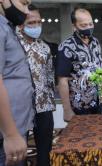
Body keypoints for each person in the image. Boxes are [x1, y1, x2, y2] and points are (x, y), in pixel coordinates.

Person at [16, 5, 55, 166]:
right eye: (32, 22)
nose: (36, 26)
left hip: (43, 105)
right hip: (19, 107)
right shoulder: (12, 44)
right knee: (18, 152)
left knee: (45, 150)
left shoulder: (44, 47)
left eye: (39, 22)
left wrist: (51, 103)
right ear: (20, 24)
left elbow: (49, 76)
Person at [0, 0, 34, 165]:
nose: (27, 11)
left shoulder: (7, 27)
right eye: (24, 3)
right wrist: (11, 134)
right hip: (6, 133)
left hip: (15, 127)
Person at [56, 7, 102, 122]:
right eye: (83, 25)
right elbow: (62, 81)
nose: (88, 28)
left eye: (90, 24)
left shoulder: (95, 42)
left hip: (97, 104)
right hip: (78, 107)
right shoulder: (66, 47)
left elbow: (99, 70)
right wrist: (66, 110)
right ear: (74, 26)